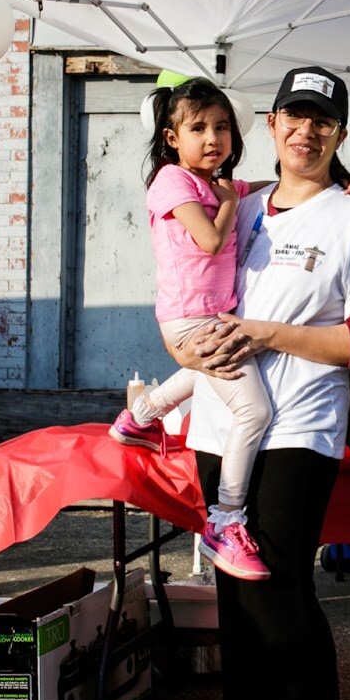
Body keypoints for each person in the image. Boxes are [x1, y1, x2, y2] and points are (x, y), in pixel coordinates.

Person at [178, 66, 350, 700]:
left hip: (299, 425)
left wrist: (268, 335)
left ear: (340, 134)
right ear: (270, 124)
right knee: (233, 589)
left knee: (275, 581)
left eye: (323, 121)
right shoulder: (235, 209)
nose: (306, 132)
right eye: (293, 117)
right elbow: (183, 285)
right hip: (220, 421)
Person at [108, 78, 272, 581]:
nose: (212, 138)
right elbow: (207, 239)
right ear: (172, 136)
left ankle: (140, 418)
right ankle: (227, 517)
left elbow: (267, 188)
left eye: (221, 127)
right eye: (197, 127)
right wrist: (226, 200)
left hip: (208, 315)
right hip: (191, 317)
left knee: (207, 374)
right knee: (253, 409)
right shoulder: (173, 181)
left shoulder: (217, 182)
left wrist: (325, 187)